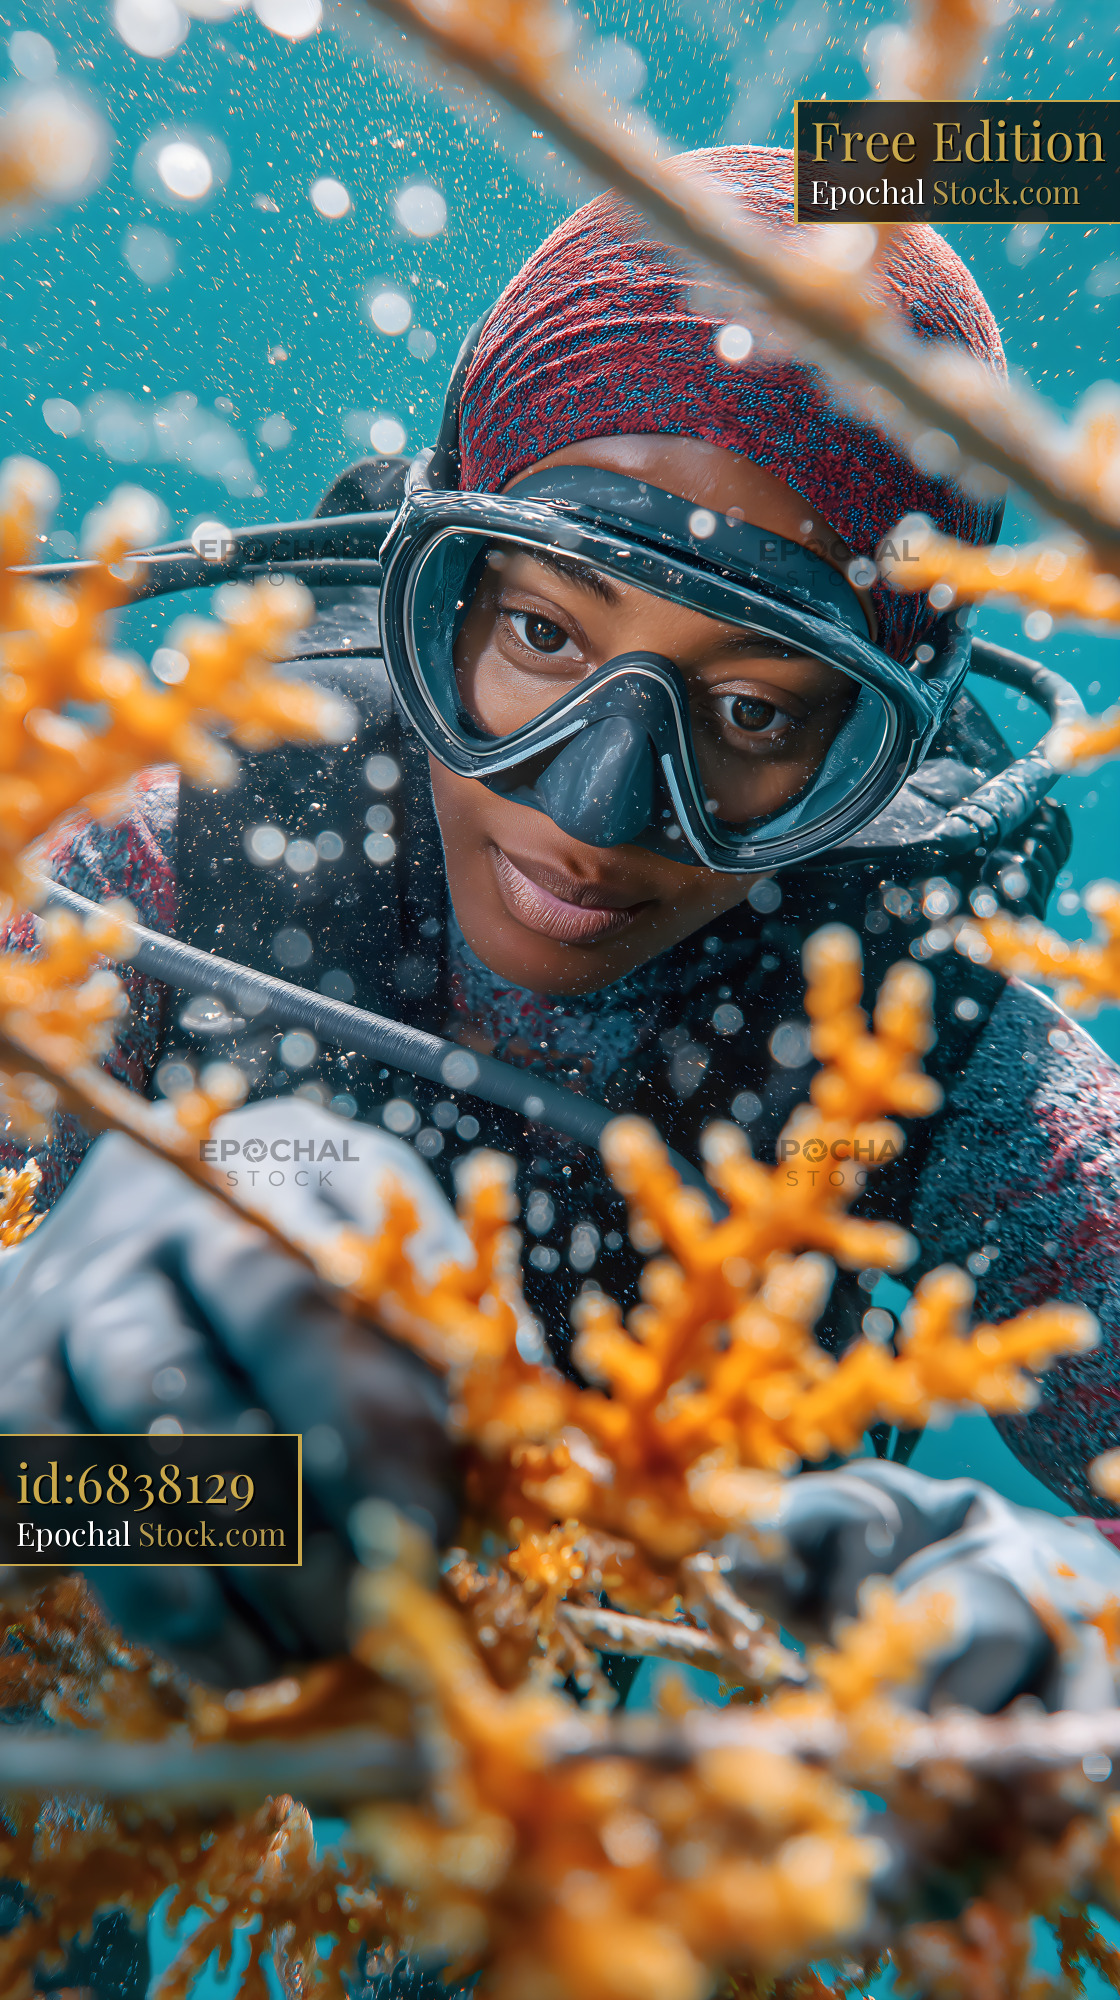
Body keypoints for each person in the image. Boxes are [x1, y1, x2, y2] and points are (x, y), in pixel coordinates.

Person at [2, 137, 1120, 2000]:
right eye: (543, 634)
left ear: (887, 758)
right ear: (425, 591)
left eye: (754, 714)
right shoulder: (166, 858)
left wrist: (1087, 1637)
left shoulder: (936, 1060)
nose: (596, 814)